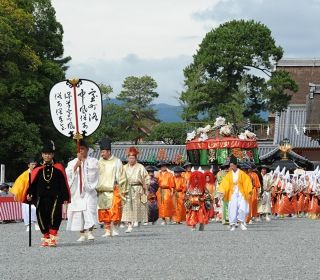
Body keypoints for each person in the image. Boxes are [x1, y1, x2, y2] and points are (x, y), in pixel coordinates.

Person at [25, 141, 70, 247]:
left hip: (55, 197)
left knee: (55, 216)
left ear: (53, 155)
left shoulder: (58, 167)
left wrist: (65, 196)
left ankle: (53, 238)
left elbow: (63, 182)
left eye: (49, 154)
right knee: (41, 216)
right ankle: (46, 237)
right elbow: (32, 183)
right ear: (42, 155)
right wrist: (29, 193)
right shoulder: (37, 169)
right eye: (45, 154)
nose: (47, 156)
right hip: (41, 197)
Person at [66, 140, 99, 242]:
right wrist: (77, 165)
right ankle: (81, 233)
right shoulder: (72, 162)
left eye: (83, 149)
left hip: (88, 191)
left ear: (87, 150)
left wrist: (84, 164)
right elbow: (68, 174)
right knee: (78, 212)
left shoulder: (93, 161)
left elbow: (94, 172)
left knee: (89, 210)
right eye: (79, 149)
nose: (81, 151)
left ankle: (89, 231)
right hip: (77, 192)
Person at [96, 138, 128, 237]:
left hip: (113, 189)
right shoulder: (99, 162)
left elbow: (122, 177)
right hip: (102, 190)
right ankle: (106, 230)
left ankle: (114, 228)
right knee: (103, 210)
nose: (102, 154)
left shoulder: (117, 161)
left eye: (103, 152)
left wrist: (122, 190)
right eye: (101, 152)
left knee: (114, 210)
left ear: (109, 151)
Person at [218, 155, 253, 231]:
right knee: (232, 209)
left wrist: (249, 191)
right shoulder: (229, 175)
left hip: (241, 193)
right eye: (230, 166)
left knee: (243, 208)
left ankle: (241, 222)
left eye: (232, 165)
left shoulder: (242, 174)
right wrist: (222, 191)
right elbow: (225, 184)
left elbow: (247, 182)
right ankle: (233, 224)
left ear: (235, 165)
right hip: (232, 194)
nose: (231, 167)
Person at [121, 147, 150, 233]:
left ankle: (137, 220)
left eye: (133, 158)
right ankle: (129, 224)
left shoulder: (140, 167)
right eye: (129, 158)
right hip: (128, 189)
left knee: (138, 206)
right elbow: (121, 179)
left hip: (138, 189)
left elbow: (146, 178)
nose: (131, 159)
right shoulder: (124, 167)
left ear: (136, 158)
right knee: (127, 207)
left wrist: (146, 189)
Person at [10, 158, 39, 231]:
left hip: (36, 193)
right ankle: (28, 225)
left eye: (35, 164)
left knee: (36, 209)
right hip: (26, 194)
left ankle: (36, 223)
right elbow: (19, 184)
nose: (34, 165)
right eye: (32, 164)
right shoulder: (25, 174)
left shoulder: (38, 172)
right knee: (26, 209)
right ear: (28, 165)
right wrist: (16, 193)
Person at [156, 161, 175, 225]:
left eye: (164, 166)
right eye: (162, 166)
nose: (163, 167)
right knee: (161, 205)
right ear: (160, 167)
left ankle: (170, 217)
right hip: (160, 190)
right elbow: (156, 183)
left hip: (167, 190)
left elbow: (172, 184)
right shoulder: (158, 174)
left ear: (166, 167)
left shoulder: (170, 174)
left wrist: (172, 191)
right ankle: (163, 219)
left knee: (168, 204)